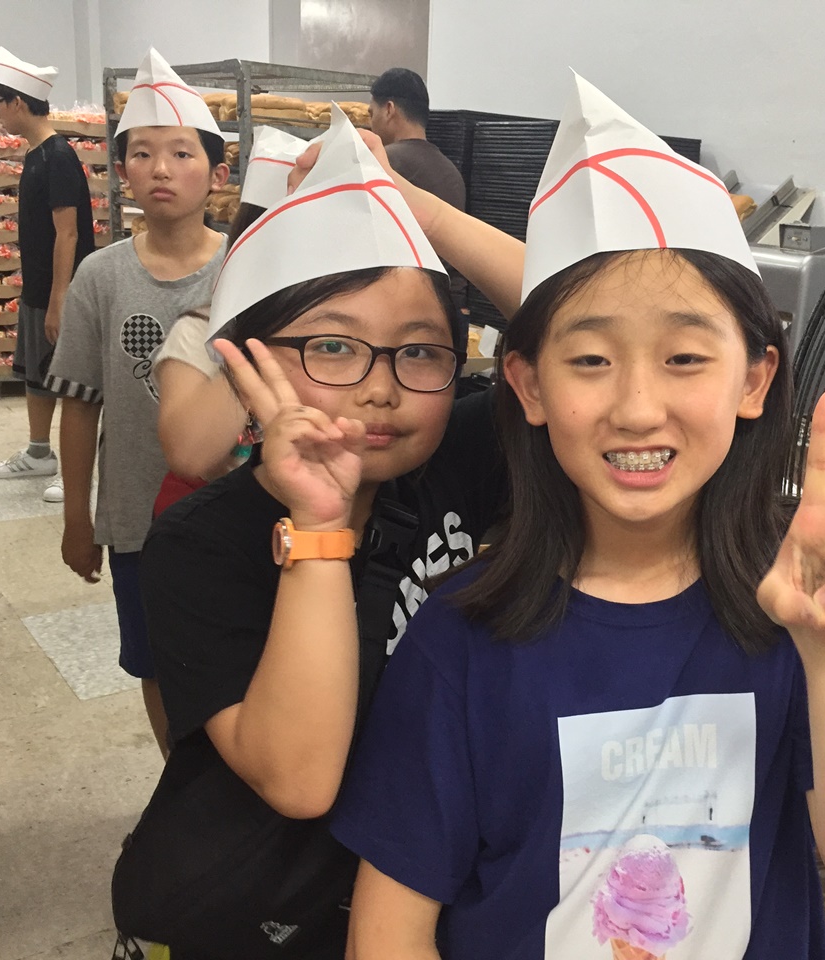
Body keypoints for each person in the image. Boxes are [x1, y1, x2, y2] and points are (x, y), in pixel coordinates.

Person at [329, 76, 825, 959]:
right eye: (590, 359)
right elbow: (388, 935)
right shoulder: (460, 640)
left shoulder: (800, 612)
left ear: (754, 380)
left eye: (684, 358)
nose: (636, 408)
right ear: (528, 386)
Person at [117, 106, 520, 960]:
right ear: (250, 366)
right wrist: (320, 526)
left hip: (418, 892)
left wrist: (416, 204)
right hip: (258, 916)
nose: (381, 387)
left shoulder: (454, 459)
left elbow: (586, 320)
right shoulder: (200, 545)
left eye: (421, 352)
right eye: (333, 347)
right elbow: (299, 781)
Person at [45, 48, 229, 757]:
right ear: (121, 171)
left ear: (216, 173)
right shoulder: (100, 277)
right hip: (136, 515)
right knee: (155, 659)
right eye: (142, 154)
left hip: (238, 501)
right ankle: (180, 783)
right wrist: (78, 516)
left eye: (181, 153)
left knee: (234, 646)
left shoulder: (244, 267)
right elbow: (81, 402)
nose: (160, 169)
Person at [151, 125, 314, 503]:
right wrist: (262, 328)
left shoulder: (345, 337)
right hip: (229, 517)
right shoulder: (203, 333)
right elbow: (188, 455)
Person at [0, 47, 95, 502]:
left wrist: (59, 300)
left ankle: (75, 469)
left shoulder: (58, 156)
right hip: (37, 288)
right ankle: (38, 452)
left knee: (69, 379)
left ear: (18, 102)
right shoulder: (35, 154)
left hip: (59, 290)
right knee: (35, 374)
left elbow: (68, 233)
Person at [369, 68, 465, 212]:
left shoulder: (382, 163)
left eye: (371, 114)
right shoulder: (452, 174)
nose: (370, 124)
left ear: (389, 109)